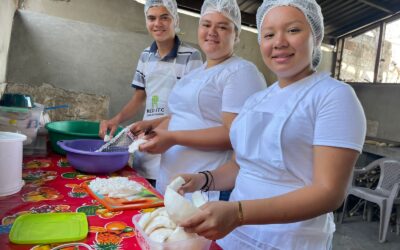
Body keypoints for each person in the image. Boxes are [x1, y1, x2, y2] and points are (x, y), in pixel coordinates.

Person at [176, 0, 367, 249]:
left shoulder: (333, 96)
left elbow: (329, 192)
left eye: (293, 30)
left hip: (290, 241)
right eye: (268, 34)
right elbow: (241, 165)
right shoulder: (257, 99)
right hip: (232, 236)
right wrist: (202, 179)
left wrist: (239, 213)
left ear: (316, 36)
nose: (279, 42)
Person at [134, 0, 266, 200]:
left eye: (222, 27)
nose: (212, 32)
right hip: (172, 182)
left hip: (206, 187)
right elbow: (178, 117)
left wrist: (173, 138)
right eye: (206, 25)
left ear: (236, 34)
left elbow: (235, 135)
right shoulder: (197, 73)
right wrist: (152, 129)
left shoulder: (240, 72)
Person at [99, 0, 203, 186]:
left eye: (164, 17)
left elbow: (191, 108)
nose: (157, 23)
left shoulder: (191, 56)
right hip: (145, 139)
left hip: (175, 141)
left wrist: (154, 124)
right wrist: (116, 119)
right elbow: (139, 97)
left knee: (169, 194)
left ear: (175, 20)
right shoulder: (145, 56)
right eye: (152, 18)